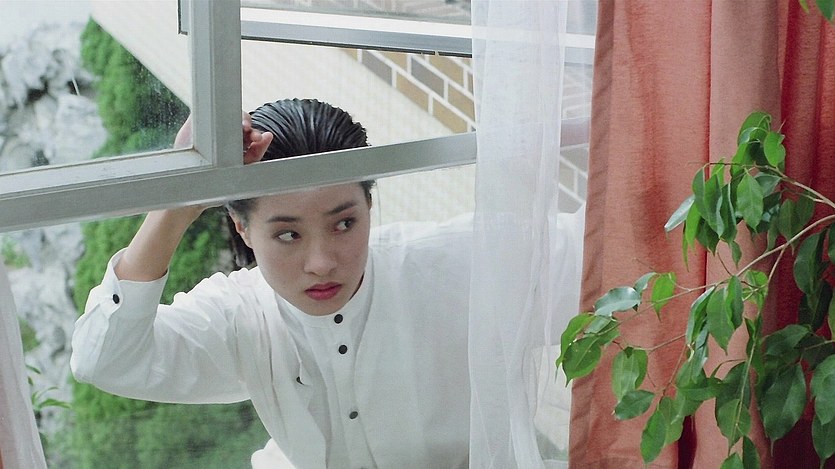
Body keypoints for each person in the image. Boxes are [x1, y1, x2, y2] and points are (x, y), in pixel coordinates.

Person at [70, 99, 472, 469]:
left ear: (368, 204)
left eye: (344, 224)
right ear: (242, 228)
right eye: (288, 235)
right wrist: (178, 203)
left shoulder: (444, 263)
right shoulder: (241, 314)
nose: (321, 263)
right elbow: (104, 360)